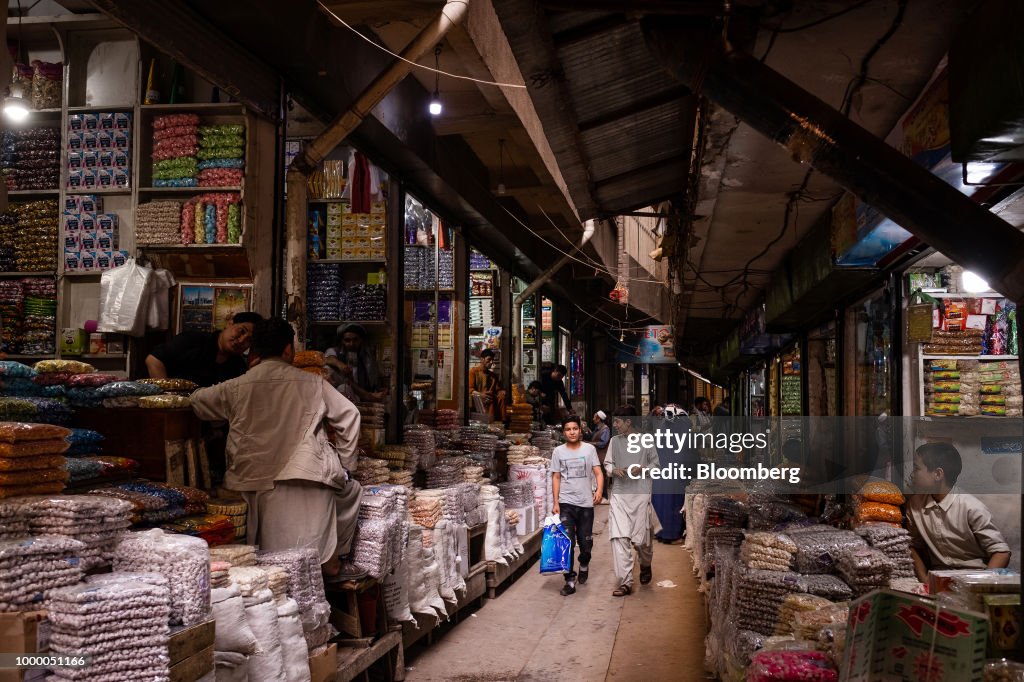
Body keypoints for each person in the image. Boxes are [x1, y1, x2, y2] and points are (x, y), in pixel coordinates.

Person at [190, 317, 364, 579]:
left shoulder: (237, 385)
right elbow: (350, 415)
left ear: (255, 352)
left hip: (250, 481)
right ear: (287, 350)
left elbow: (196, 401)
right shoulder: (313, 383)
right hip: (303, 476)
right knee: (349, 491)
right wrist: (347, 466)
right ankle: (331, 565)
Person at [907, 443, 1011, 582]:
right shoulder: (914, 505)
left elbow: (1001, 552)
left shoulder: (971, 507)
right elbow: (912, 546)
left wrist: (981, 585)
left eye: (916, 468)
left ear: (938, 474)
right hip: (938, 580)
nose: (911, 474)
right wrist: (925, 579)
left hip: (974, 577)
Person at [605, 405, 660, 597]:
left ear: (628, 422)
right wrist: (614, 470)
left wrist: (642, 468)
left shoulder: (646, 441)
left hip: (641, 494)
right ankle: (625, 582)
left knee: (641, 540)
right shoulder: (614, 441)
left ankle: (645, 564)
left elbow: (656, 465)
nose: (616, 426)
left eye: (618, 422)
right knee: (619, 537)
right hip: (619, 494)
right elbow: (608, 464)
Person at [550, 416, 603, 596]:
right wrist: (556, 502)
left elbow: (598, 472)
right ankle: (569, 580)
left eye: (575, 428)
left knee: (586, 543)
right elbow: (556, 477)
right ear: (563, 432)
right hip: (566, 503)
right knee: (567, 543)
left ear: (580, 430)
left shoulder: (589, 450)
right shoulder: (558, 452)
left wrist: (599, 491)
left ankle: (584, 563)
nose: (572, 432)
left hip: (586, 503)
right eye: (568, 429)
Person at [145, 312, 263, 387]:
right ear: (229, 324)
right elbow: (154, 360)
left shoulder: (238, 366)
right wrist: (166, 398)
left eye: (249, 340)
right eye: (241, 331)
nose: (242, 340)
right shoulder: (193, 340)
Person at [652, 403, 691, 544]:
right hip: (674, 471)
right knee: (673, 503)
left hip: (661, 471)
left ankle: (662, 533)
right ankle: (672, 535)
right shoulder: (680, 425)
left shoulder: (663, 427)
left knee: (660, 503)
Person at [325, 323, 386, 404]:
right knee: (343, 387)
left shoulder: (367, 357)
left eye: (355, 340)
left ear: (361, 340)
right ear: (342, 341)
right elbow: (329, 358)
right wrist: (340, 365)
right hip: (342, 399)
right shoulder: (335, 352)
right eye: (347, 340)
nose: (351, 344)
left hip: (363, 397)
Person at [468, 349, 506, 421]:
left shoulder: (493, 376)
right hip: (478, 401)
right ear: (482, 359)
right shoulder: (473, 372)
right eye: (489, 360)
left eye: (492, 360)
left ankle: (501, 420)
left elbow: (498, 390)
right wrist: (481, 395)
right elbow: (470, 389)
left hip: (490, 400)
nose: (491, 362)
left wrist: (501, 392)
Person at [586, 410, 611, 502]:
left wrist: (591, 443)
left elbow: (603, 443)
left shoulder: (605, 429)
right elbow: (592, 437)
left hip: (601, 456)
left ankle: (604, 496)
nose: (593, 419)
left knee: (602, 476)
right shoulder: (597, 428)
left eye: (594, 417)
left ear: (598, 419)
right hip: (596, 456)